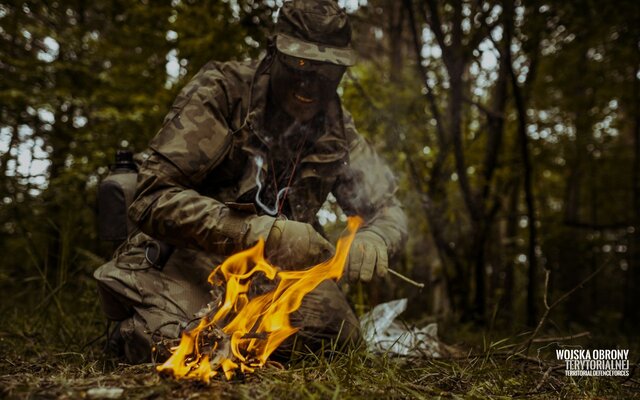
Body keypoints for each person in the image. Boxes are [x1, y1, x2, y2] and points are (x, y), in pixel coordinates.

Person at [94, 0, 407, 364]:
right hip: (191, 255)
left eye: (328, 71)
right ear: (273, 53)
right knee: (187, 349)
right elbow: (152, 197)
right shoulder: (223, 92)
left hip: (276, 273)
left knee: (336, 341)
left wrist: (375, 236)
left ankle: (249, 334)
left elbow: (389, 209)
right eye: (301, 64)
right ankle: (142, 322)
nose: (310, 84)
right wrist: (263, 233)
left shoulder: (337, 130)